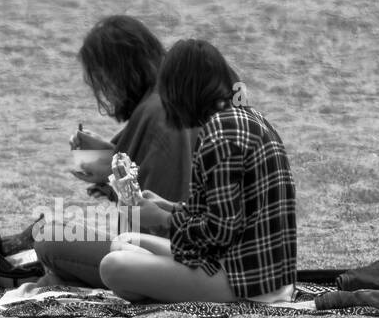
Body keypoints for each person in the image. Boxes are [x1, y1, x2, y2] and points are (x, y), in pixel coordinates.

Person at [99, 39, 297, 304]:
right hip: (264, 273)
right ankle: (171, 285)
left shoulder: (220, 136)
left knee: (113, 266)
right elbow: (226, 213)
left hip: (247, 283)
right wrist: (169, 207)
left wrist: (162, 219)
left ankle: (174, 288)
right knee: (125, 242)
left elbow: (221, 231)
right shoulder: (246, 117)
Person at [32, 15, 194, 287]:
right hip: (197, 255)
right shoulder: (173, 96)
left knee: (49, 237)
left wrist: (110, 171)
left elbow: (150, 229)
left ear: (120, 72)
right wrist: (111, 161)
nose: (106, 95)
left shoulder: (157, 113)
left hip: (175, 265)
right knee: (55, 253)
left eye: (103, 83)